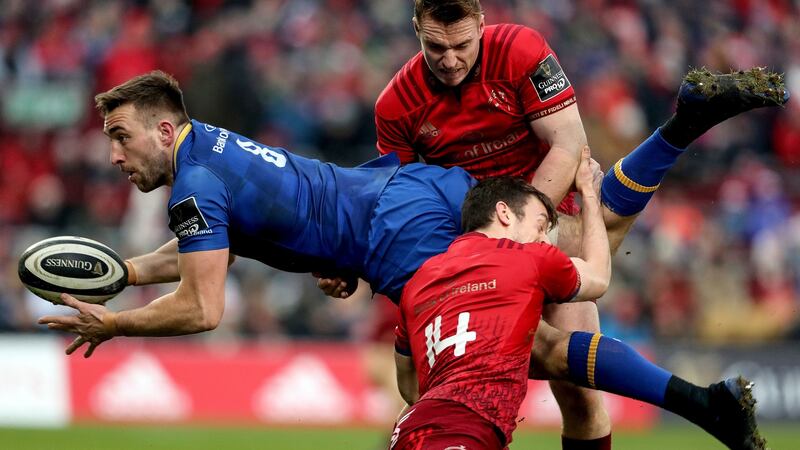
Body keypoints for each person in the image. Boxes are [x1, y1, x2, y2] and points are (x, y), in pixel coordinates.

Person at [37, 70, 780, 449]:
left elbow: (205, 305)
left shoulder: (191, 183)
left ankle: (701, 403)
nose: (113, 153)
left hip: (393, 236)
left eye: (123, 137)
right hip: (397, 193)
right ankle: (678, 130)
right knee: (452, 357)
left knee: (541, 339)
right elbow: (210, 245)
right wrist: (131, 272)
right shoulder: (208, 155)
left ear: (164, 129)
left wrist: (117, 325)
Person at [353, 1, 791, 447]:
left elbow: (569, 145)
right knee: (566, 328)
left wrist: (530, 229)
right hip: (474, 236)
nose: (450, 60)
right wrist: (342, 263)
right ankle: (681, 128)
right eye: (435, 47)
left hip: (542, 208)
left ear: (482, 25)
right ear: (415, 31)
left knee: (580, 394)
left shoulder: (521, 50)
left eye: (462, 45)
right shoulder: (396, 104)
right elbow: (394, 201)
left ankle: (682, 126)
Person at [391, 150, 611, 449]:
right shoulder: (528, 258)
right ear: (505, 213)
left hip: (410, 430)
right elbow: (598, 276)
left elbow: (409, 387)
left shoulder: (419, 280)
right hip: (463, 432)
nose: (546, 240)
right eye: (541, 224)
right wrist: (589, 195)